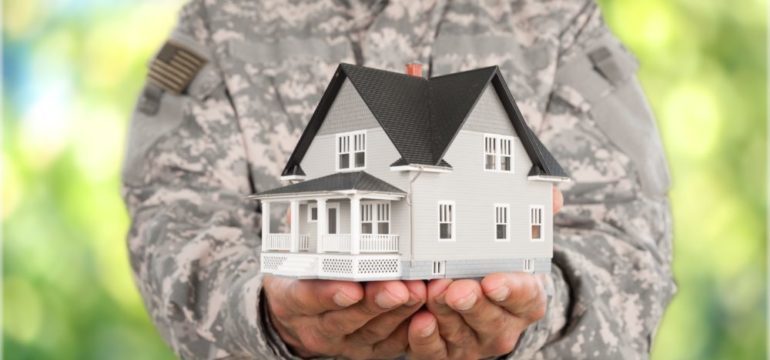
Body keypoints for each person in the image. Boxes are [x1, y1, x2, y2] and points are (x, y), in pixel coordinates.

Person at [122, 0, 675, 359]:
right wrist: (264, 312)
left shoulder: (555, 15)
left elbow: (629, 248)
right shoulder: (224, 17)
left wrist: (541, 311)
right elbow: (172, 216)